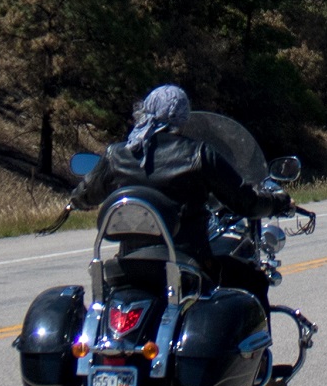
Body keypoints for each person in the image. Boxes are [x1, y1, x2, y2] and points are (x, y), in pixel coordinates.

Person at [70, 85, 283, 297]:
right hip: (187, 264)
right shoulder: (198, 154)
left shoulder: (117, 154)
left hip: (129, 265)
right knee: (254, 280)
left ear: (145, 110)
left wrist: (75, 203)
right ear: (183, 116)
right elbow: (246, 203)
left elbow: (84, 194)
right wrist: (278, 202)